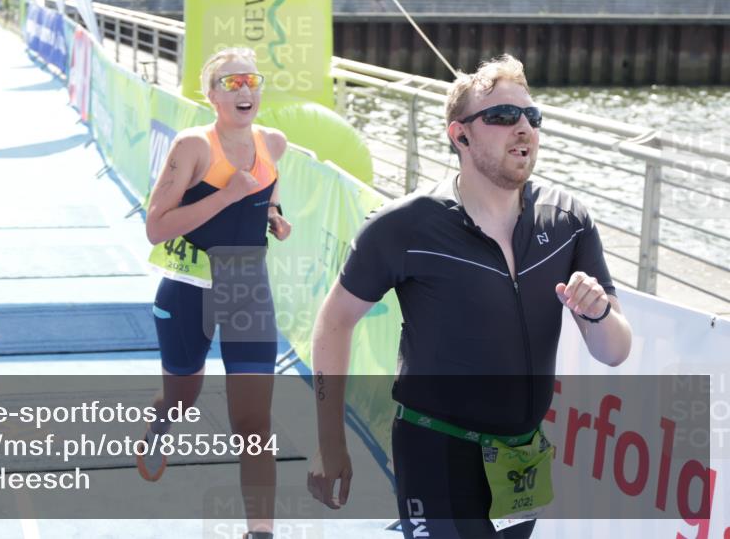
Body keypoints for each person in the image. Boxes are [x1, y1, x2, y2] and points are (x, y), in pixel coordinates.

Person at [307, 55, 632, 539]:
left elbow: (614, 351)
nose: (522, 127)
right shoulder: (405, 226)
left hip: (520, 461)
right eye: (502, 117)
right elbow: (335, 321)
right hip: (435, 454)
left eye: (531, 117)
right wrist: (330, 442)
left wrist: (599, 311)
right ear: (460, 135)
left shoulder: (567, 221)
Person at [139, 46, 291, 539]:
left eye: (250, 80)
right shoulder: (192, 147)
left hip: (248, 290)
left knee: (254, 425)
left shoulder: (274, 142)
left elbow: (264, 192)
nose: (244, 90)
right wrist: (227, 194)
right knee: (183, 398)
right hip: (189, 292)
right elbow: (156, 228)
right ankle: (160, 423)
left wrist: (273, 215)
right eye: (230, 83)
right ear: (211, 96)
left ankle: (259, 532)